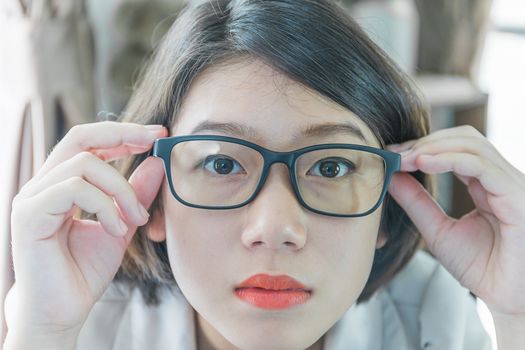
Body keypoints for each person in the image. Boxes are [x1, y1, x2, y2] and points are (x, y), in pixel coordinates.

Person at [4, 0, 525, 349]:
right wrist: (43, 330)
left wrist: (518, 313)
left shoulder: (432, 314)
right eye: (222, 163)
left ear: (389, 207)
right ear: (154, 200)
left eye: (331, 165)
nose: (275, 227)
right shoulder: (88, 325)